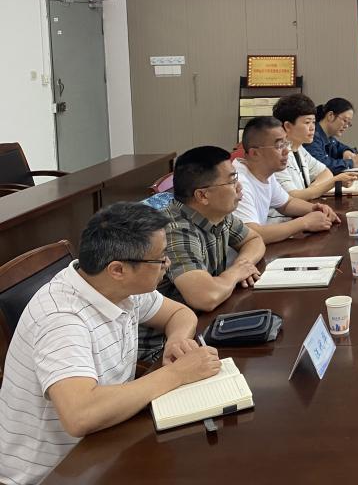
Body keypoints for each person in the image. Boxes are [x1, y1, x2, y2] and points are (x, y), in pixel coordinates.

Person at [0, 203, 222, 485]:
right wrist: (177, 374)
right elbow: (80, 415)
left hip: (106, 441)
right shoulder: (62, 319)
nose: (167, 264)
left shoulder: (120, 287)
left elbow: (179, 314)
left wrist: (177, 340)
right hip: (52, 473)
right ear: (117, 269)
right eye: (160, 259)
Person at [137, 146, 267, 361]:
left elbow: (254, 240)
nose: (239, 187)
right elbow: (205, 297)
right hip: (163, 349)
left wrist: (243, 264)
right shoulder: (175, 230)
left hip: (200, 325)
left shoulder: (217, 214)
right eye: (232, 181)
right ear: (203, 195)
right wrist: (236, 273)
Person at [234, 116, 340, 243]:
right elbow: (251, 234)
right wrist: (304, 222)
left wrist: (316, 209)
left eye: (286, 143)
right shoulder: (238, 183)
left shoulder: (265, 172)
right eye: (279, 146)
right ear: (254, 153)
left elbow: (286, 203)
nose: (287, 151)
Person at [273, 94, 358, 200]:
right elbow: (292, 197)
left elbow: (326, 172)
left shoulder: (299, 149)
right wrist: (333, 182)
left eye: (313, 122)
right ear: (288, 126)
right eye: (307, 122)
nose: (312, 128)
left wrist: (311, 191)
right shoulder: (277, 156)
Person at [306, 97, 358, 174]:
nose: (346, 126)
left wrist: (346, 152)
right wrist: (351, 163)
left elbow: (340, 147)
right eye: (345, 120)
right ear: (330, 115)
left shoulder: (329, 137)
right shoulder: (312, 137)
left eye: (348, 123)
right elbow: (322, 165)